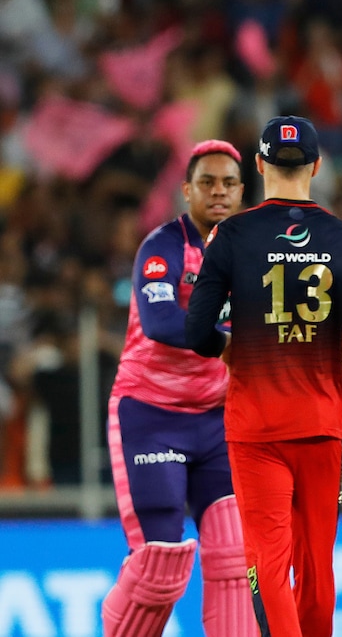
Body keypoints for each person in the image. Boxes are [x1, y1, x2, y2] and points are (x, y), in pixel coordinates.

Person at [185, 116, 342, 637]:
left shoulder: (231, 235)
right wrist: (339, 359)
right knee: (316, 565)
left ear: (260, 166)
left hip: (255, 427)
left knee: (267, 559)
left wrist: (229, 349)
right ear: (317, 166)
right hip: (320, 423)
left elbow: (196, 331)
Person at [102, 140, 255, 636]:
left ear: (241, 191)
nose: (218, 192)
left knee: (235, 561)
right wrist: (230, 342)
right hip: (151, 415)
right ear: (187, 190)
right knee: (158, 567)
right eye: (207, 182)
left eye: (228, 183)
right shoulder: (164, 246)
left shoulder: (253, 254)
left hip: (217, 421)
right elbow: (160, 321)